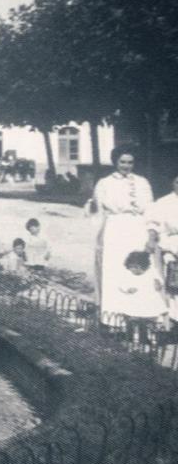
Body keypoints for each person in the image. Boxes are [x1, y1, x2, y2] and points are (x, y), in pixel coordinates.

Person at [90, 146, 154, 328]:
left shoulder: (143, 182)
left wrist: (150, 233)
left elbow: (149, 209)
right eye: (122, 162)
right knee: (115, 270)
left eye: (130, 162)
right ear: (115, 162)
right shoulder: (104, 183)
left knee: (138, 269)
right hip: (115, 229)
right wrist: (99, 237)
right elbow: (98, 212)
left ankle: (139, 316)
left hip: (137, 229)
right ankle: (113, 318)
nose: (126, 166)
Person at [146, 173, 178, 327]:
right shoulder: (163, 203)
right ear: (172, 183)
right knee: (171, 287)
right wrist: (152, 239)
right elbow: (153, 225)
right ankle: (170, 322)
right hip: (170, 245)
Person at [117, 251, 167, 344]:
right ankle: (130, 341)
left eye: (136, 267)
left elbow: (160, 284)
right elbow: (121, 285)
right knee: (131, 321)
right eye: (131, 267)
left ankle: (145, 342)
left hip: (148, 302)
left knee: (145, 323)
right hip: (134, 302)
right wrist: (127, 290)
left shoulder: (151, 273)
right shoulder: (129, 275)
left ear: (144, 266)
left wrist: (158, 284)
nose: (133, 270)